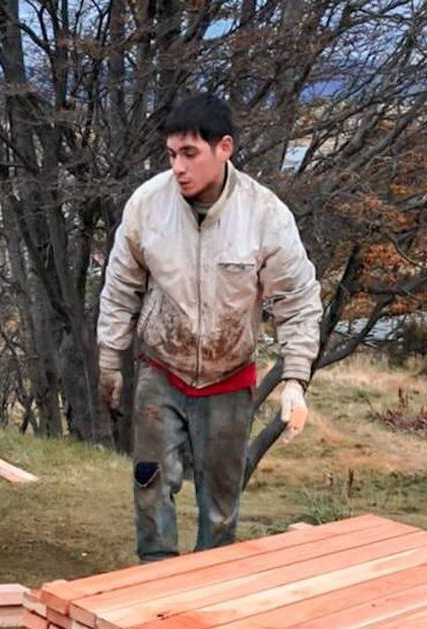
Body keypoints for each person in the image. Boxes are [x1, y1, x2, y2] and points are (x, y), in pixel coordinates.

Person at [97, 92, 322, 562]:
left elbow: (297, 300)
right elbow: (120, 289)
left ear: (224, 148)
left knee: (220, 505)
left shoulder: (265, 215)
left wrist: (295, 377)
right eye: (172, 154)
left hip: (229, 377)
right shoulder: (147, 207)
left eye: (190, 154)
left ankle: (205, 597)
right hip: (162, 369)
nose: (178, 167)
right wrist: (109, 362)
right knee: (151, 486)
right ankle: (154, 581)